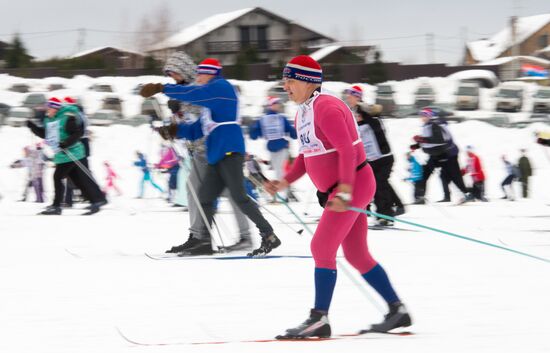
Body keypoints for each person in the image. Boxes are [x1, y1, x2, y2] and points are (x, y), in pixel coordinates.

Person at [265, 55, 411, 339]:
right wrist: (283, 182)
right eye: (285, 80)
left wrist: (344, 189)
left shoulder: (328, 107)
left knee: (321, 247)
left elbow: (345, 150)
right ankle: (397, 310)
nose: (285, 86)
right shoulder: (303, 111)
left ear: (307, 81)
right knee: (356, 254)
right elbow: (307, 156)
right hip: (343, 188)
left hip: (353, 184)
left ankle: (319, 318)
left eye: (290, 80)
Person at [141, 57, 280, 257]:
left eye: (201, 74)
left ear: (211, 73)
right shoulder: (209, 104)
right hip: (217, 155)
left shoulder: (221, 87)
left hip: (230, 151)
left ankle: (268, 235)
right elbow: (197, 129)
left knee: (239, 196)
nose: (198, 78)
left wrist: (162, 88)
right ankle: (204, 242)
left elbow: (193, 93)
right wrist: (173, 130)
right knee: (204, 198)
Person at [27, 97, 107, 215]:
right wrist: (32, 127)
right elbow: (45, 134)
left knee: (58, 177)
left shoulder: (67, 117)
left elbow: (78, 133)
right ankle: (96, 201)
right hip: (62, 154)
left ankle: (57, 206)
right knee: (77, 180)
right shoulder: (49, 119)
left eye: (48, 107)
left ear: (54, 108)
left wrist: (66, 143)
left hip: (73, 152)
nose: (46, 109)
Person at [346, 85, 404, 225]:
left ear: (357, 96)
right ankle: (374, 209)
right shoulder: (352, 112)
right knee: (373, 185)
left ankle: (386, 216)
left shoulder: (366, 110)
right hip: (370, 158)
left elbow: (377, 125)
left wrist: (364, 114)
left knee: (379, 184)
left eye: (351, 96)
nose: (348, 98)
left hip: (383, 157)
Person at [411, 108, 472, 204]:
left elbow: (438, 140)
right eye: (421, 115)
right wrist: (417, 145)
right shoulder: (428, 125)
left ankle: (467, 194)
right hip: (436, 154)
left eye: (424, 115)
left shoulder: (434, 125)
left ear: (429, 116)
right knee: (426, 172)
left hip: (447, 154)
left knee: (453, 175)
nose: (422, 117)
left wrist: (422, 139)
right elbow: (429, 141)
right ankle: (420, 196)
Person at [249, 96, 297, 200]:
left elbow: (291, 131)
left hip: (282, 147)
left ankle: (285, 193)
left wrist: (295, 133)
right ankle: (285, 192)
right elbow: (254, 134)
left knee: (280, 170)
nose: (278, 105)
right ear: (270, 105)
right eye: (275, 103)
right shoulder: (264, 119)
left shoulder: (280, 118)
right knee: (277, 170)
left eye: (278, 103)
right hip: (272, 149)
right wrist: (253, 130)